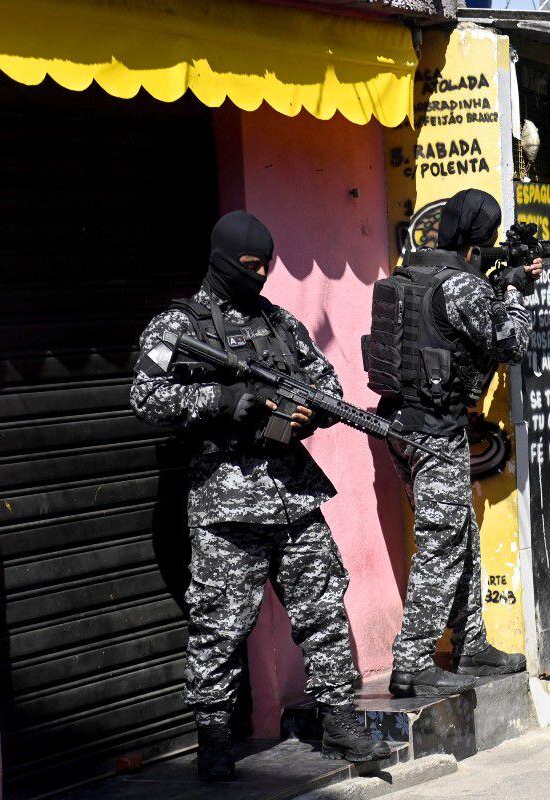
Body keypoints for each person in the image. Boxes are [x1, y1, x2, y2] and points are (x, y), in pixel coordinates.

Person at [130, 211, 388, 782]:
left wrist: (308, 414)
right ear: (223, 261)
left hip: (293, 497)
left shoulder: (278, 322)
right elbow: (147, 397)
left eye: (267, 266)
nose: (262, 276)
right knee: (220, 627)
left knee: (323, 610)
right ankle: (214, 739)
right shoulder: (180, 325)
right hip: (226, 508)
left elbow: (324, 384)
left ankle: (339, 719)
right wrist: (224, 402)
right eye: (251, 267)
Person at [371, 189, 538, 698]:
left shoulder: (409, 274)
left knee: (459, 534)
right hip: (436, 431)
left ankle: (471, 644)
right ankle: (413, 662)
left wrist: (494, 284)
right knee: (443, 544)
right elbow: (511, 342)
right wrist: (513, 292)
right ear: (479, 239)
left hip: (401, 426)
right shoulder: (463, 288)